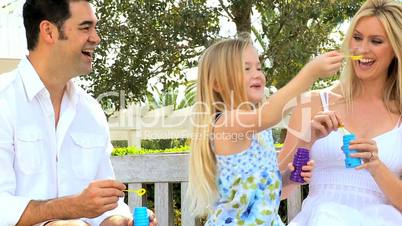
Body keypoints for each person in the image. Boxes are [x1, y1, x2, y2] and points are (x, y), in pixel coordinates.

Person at [0, 0, 157, 225]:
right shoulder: (3, 101)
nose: (96, 38)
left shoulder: (90, 110)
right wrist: (70, 209)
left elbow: (104, 207)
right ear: (49, 31)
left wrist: (121, 220)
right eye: (85, 28)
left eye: (95, 28)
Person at [187, 36, 344, 225]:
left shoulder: (260, 132)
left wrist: (292, 173)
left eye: (259, 67)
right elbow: (271, 114)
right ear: (217, 84)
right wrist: (310, 72)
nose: (257, 74)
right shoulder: (226, 123)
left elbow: (266, 185)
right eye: (246, 69)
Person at [280, 0, 402, 225]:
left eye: (375, 41)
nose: (361, 49)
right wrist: (306, 141)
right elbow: (276, 190)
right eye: (357, 38)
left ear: (396, 49)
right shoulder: (312, 103)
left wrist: (376, 166)